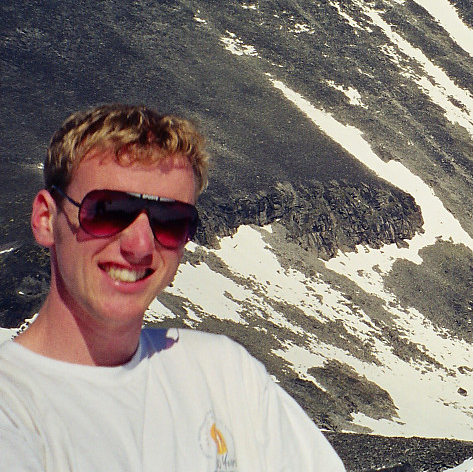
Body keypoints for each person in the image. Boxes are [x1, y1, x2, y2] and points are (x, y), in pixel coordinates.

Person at [0, 104, 347, 472]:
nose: (140, 245)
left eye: (170, 221)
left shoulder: (226, 374)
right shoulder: (12, 405)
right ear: (45, 219)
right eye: (108, 211)